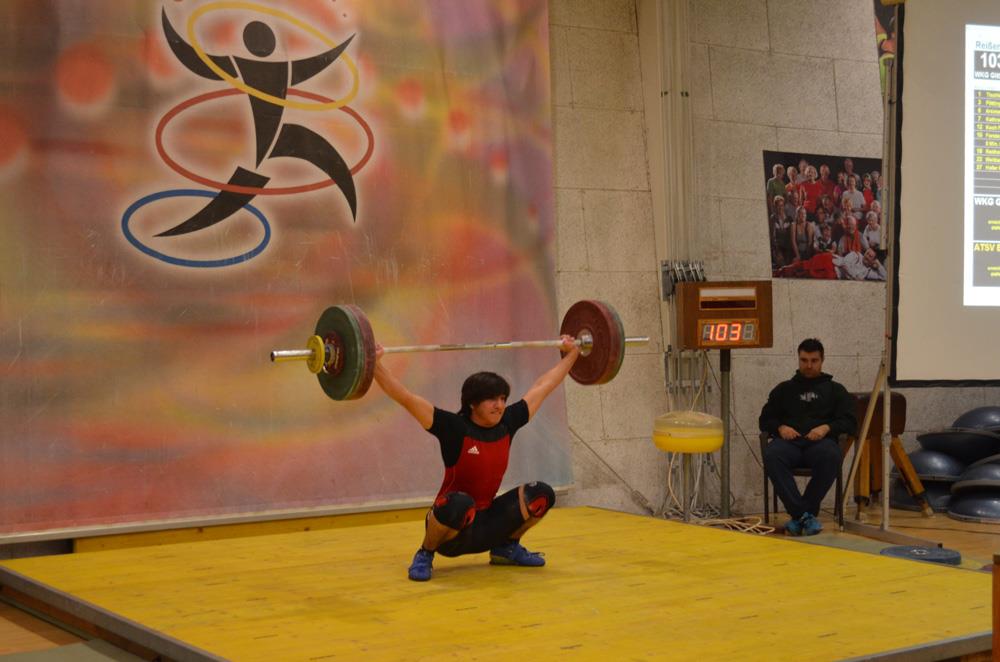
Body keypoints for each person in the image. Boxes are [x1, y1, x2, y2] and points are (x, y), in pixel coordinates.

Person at [373, 336, 581, 581]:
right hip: (452, 530)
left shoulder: (507, 423)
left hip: (487, 522)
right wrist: (374, 364)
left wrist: (572, 355)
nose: (500, 405)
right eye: (492, 399)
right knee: (460, 502)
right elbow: (404, 397)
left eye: (503, 399)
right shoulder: (452, 427)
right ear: (472, 403)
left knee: (542, 494)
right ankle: (425, 553)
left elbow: (542, 387)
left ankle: (506, 548)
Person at [759, 339, 857, 536]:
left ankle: (799, 516)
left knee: (832, 455)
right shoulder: (783, 389)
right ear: (798, 359)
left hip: (819, 444)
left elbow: (850, 422)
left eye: (814, 360)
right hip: (789, 444)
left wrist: (827, 427)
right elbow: (765, 420)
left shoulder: (836, 390)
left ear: (822, 360)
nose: (809, 365)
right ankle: (805, 515)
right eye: (804, 360)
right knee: (772, 454)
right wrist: (780, 427)